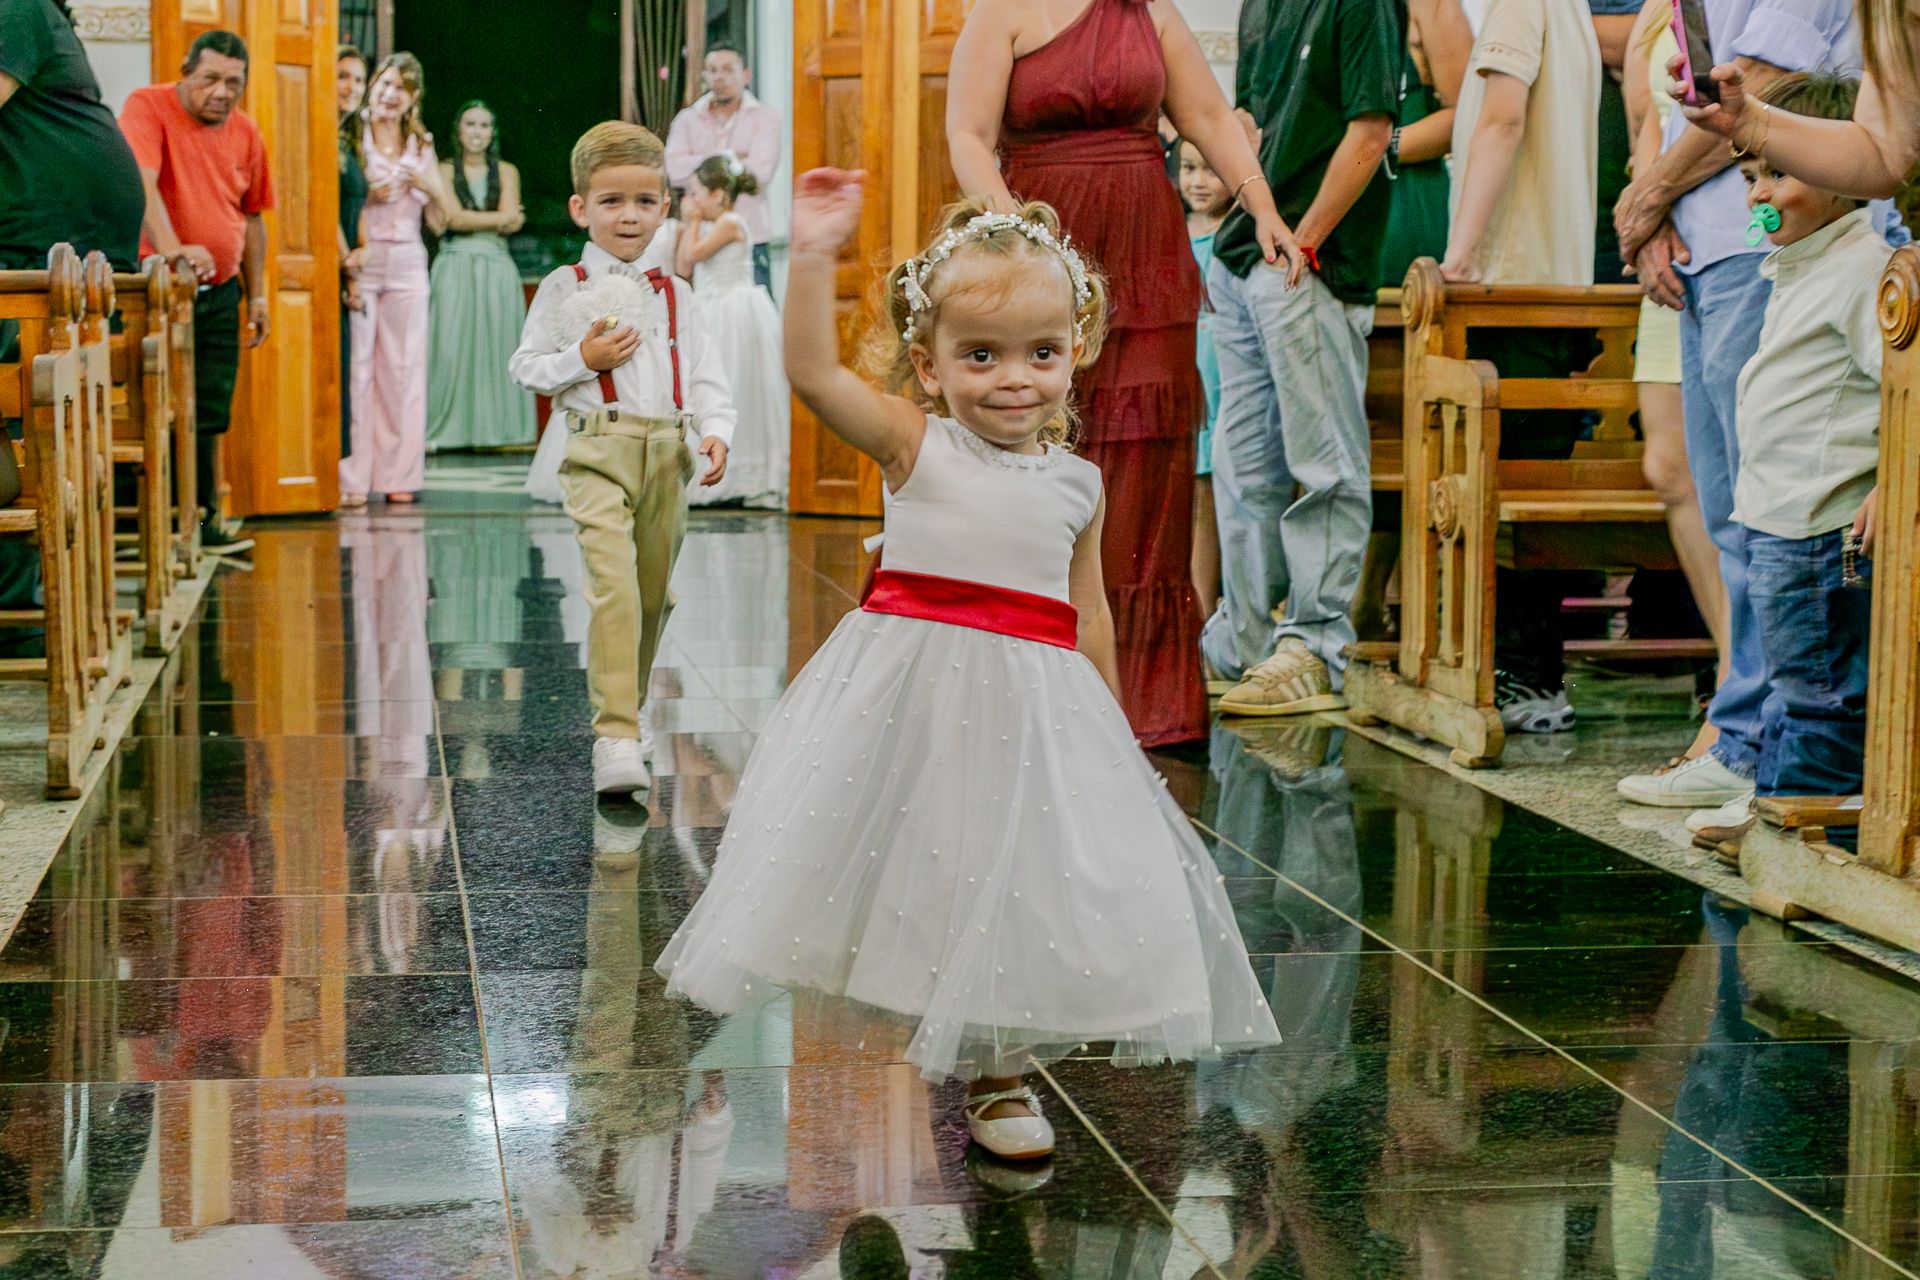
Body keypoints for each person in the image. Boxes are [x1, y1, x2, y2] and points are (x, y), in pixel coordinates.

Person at [654, 169, 1280, 1163]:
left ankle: (999, 1071)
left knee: (1013, 880)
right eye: (980, 355)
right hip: (910, 697)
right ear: (931, 363)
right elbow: (814, 375)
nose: (1013, 378)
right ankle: (903, 1016)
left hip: (1034, 704)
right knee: (909, 867)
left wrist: (1111, 742)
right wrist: (813, 251)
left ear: (1075, 353)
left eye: (1040, 352)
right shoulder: (916, 444)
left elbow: (1090, 611)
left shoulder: (1078, 481)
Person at [946, 0, 1298, 747]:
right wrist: (1018, 235)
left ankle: (1142, 697)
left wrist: (1262, 206)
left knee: (1146, 460)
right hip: (1047, 236)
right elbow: (969, 138)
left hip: (1145, 250)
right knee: (1042, 445)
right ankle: (1037, 672)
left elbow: (1207, 116)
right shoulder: (998, 13)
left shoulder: (1147, 13)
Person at [1609, 0, 1861, 808]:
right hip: (1707, 241)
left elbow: (1761, 88)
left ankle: (1768, 743)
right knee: (1732, 506)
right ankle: (1748, 729)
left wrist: (1652, 195)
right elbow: (1664, 104)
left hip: (1769, 237)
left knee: (1775, 512)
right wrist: (1651, 212)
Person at [1682, 73, 1888, 847]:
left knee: (1821, 690)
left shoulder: (1862, 272)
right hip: (1778, 522)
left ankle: (1808, 822)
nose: (1760, 195)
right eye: (1750, 177)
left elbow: (1907, 390)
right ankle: (1775, 800)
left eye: (1779, 173)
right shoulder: (1800, 266)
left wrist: (1897, 483)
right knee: (1785, 682)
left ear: (1844, 176)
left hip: (1820, 529)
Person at [508, 122, 735, 796]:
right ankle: (614, 735)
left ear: (665, 206)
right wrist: (583, 358)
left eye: (644, 200)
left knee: (652, 596)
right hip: (597, 446)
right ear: (581, 208)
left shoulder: (676, 295)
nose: (629, 215)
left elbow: (704, 373)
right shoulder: (563, 285)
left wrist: (715, 428)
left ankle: (628, 707)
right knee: (612, 589)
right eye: (611, 201)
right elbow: (527, 366)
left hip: (666, 453)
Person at [1201, 0, 1396, 720]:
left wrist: (1304, 240)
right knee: (1242, 463)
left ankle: (1316, 644)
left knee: (1324, 464)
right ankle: (1245, 640)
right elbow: (1248, 121)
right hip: (1246, 252)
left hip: (1308, 259)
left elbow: (1370, 133)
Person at [1438, 0, 1602, 733]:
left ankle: (1527, 676)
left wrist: (1460, 256)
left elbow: (1502, 121)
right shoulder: (1568, 10)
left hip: (1510, 281)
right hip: (1557, 285)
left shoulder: (1519, 4)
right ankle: (1533, 672)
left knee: (1506, 493)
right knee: (1531, 486)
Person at [0, 0, 147, 636]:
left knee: (19, 415)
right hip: (55, 245)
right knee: (28, 417)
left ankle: (18, 606)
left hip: (43, 249)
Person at [119, 29, 274, 558]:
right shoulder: (148, 106)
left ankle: (203, 521)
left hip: (221, 290)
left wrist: (259, 296)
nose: (222, 92)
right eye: (209, 79)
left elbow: (253, 217)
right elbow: (140, 182)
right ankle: (152, 529)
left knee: (210, 407)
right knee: (155, 405)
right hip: (158, 287)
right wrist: (173, 252)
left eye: (234, 83)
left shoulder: (247, 132)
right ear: (186, 72)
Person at [1624, 0, 1729, 763]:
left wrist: (1658, 197)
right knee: (1669, 465)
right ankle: (1733, 658)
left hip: (1732, 232)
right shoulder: (1655, 13)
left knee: (1730, 470)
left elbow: (1748, 109)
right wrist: (1648, 220)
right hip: (1670, 246)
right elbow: (1647, 129)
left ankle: (1735, 681)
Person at [340, 52, 450, 507]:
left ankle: (398, 475)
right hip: (362, 260)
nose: (389, 95)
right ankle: (352, 479)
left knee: (403, 369)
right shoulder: (350, 133)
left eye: (400, 89)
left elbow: (442, 222)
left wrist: (429, 187)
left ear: (413, 99)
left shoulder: (421, 144)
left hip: (407, 259)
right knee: (358, 369)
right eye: (384, 84)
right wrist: (370, 192)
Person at [678, 154, 789, 509]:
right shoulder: (708, 225)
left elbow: (695, 253)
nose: (692, 200)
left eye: (697, 192)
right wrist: (692, 223)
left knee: (739, 386)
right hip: (709, 308)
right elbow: (683, 264)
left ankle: (753, 475)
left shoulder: (731, 222)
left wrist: (691, 222)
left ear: (718, 194)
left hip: (734, 311)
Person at [425, 99, 536, 453]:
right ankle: (450, 432)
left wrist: (467, 218)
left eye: (484, 125)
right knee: (450, 349)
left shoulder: (507, 172)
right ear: (459, 130)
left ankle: (497, 433)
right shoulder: (441, 170)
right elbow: (453, 219)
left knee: (498, 346)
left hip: (496, 266)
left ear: (493, 133)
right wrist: (500, 219)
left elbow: (465, 216)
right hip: (454, 263)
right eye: (470, 124)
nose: (477, 132)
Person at [664, 42, 783, 291]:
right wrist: (733, 156)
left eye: (728, 69)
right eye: (713, 70)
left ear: (746, 74)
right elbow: (674, 171)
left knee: (753, 320)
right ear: (705, 75)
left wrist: (699, 162)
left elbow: (760, 172)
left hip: (750, 235)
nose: (719, 77)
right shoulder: (687, 119)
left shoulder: (765, 118)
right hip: (698, 235)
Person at [1179, 141, 1229, 621]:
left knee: (1212, 492)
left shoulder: (1235, 236)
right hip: (1184, 369)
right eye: (1190, 168)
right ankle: (1193, 609)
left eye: (1211, 170)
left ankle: (1209, 606)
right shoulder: (1171, 232)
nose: (1197, 181)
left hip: (1221, 376)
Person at [337, 45, 368, 466]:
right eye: (342, 76)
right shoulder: (317, 135)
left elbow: (355, 206)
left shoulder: (347, 140)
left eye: (359, 79)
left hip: (347, 265)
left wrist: (365, 248)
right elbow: (320, 207)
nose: (351, 87)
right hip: (331, 269)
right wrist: (350, 270)